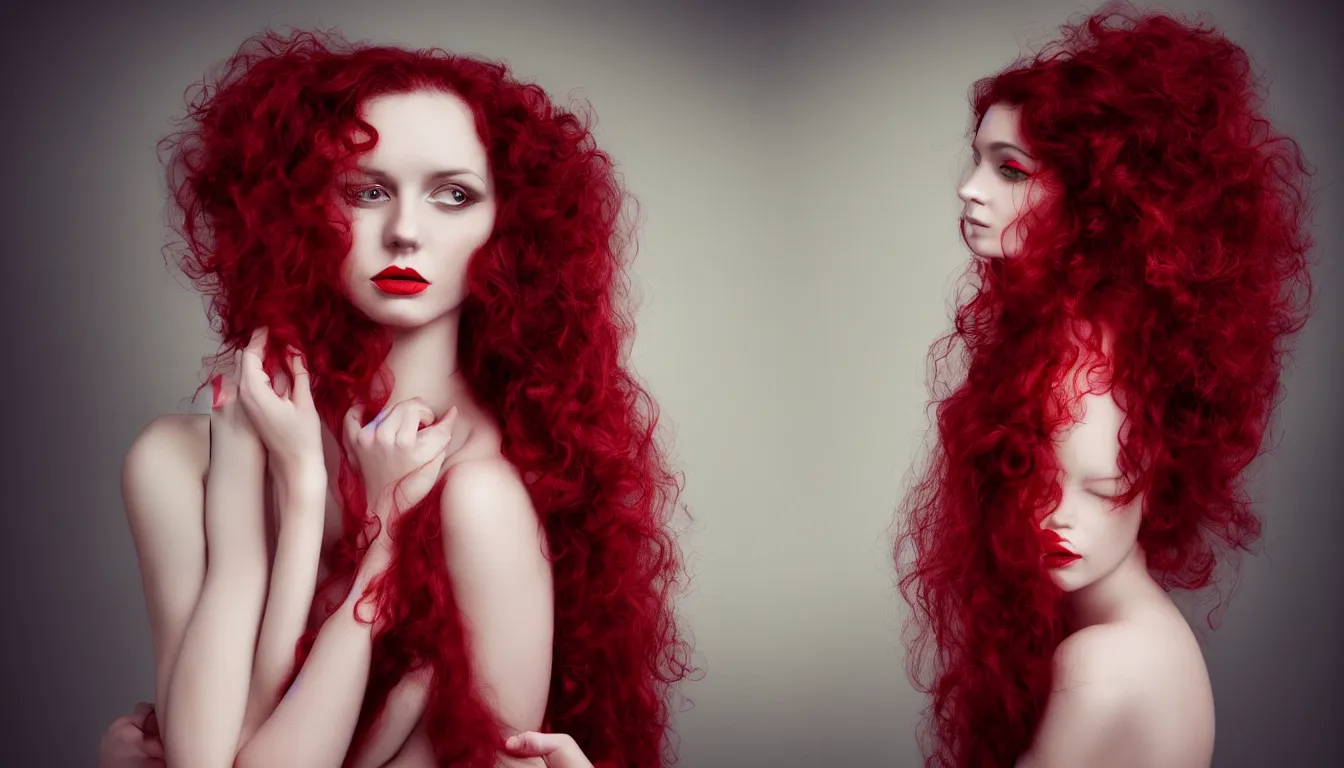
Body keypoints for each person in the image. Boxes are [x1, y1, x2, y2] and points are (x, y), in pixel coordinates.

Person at [100, 29, 692, 768]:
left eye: (454, 195)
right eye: (367, 190)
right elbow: (202, 758)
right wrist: (290, 485)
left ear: (510, 228)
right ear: (297, 211)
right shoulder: (177, 460)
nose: (405, 232)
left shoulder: (482, 497)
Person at [895, 4, 1315, 768]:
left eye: (1010, 168)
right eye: (1027, 470)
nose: (968, 190)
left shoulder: (1101, 667)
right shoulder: (1067, 343)